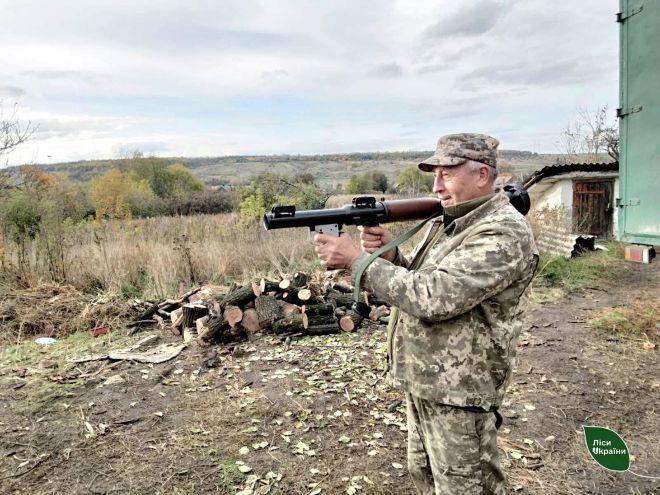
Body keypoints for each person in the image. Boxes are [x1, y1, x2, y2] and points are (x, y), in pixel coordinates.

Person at [313, 133, 539, 494]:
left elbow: (434, 297)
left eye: (446, 175)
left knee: (467, 488)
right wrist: (389, 258)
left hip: (461, 393)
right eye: (434, 175)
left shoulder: (502, 231)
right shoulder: (447, 220)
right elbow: (420, 278)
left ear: (482, 175)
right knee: (427, 479)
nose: (436, 186)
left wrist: (358, 263)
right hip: (426, 380)